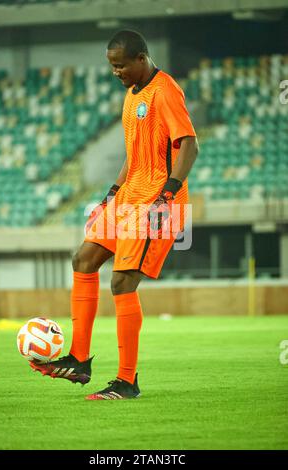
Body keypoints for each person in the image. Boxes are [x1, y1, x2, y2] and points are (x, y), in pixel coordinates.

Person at [30, 30, 199, 400]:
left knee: (121, 282)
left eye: (121, 65)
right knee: (84, 258)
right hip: (127, 195)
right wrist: (111, 193)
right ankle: (78, 358)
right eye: (112, 66)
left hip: (156, 201)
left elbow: (189, 144)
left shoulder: (165, 90)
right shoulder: (131, 94)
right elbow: (133, 152)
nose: (116, 72)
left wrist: (168, 193)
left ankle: (127, 381)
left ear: (142, 58)